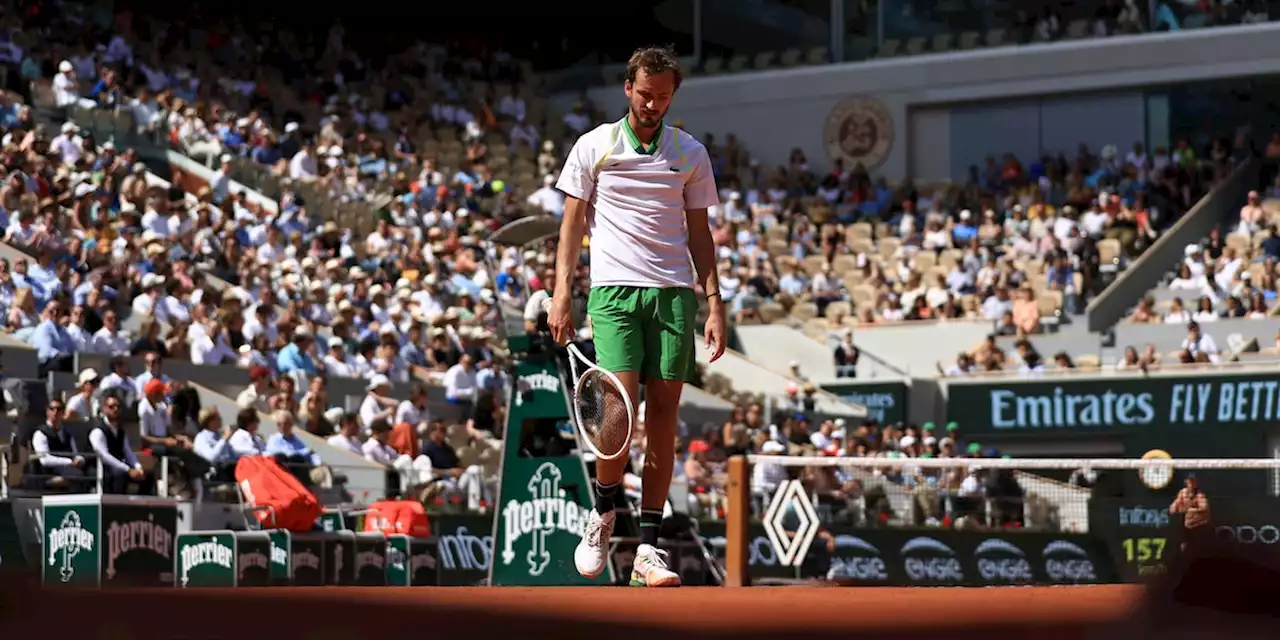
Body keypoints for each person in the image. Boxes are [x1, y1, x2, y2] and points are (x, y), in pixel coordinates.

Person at [548, 45, 725, 588]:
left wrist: (714, 302)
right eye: (645, 95)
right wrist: (561, 294)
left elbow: (699, 233)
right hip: (613, 294)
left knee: (665, 420)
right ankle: (602, 516)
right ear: (628, 88)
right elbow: (571, 228)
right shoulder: (593, 146)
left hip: (673, 296)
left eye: (663, 97)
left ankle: (648, 548)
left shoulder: (690, 152)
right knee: (618, 417)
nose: (652, 105)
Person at [89, 394, 152, 494]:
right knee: (119, 475)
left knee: (148, 476)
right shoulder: (98, 431)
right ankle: (115, 508)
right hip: (99, 468)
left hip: (118, 467)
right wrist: (128, 470)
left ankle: (142, 507)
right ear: (104, 409)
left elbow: (128, 452)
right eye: (111, 407)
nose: (115, 409)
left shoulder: (120, 431)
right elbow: (105, 457)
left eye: (118, 406)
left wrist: (138, 467)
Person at [1170, 474, 1212, 555]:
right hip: (1187, 526)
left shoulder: (1200, 495)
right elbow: (1175, 505)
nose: (1191, 484)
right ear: (1186, 482)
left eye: (1193, 481)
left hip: (1200, 525)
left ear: (1196, 483)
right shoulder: (1183, 492)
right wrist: (1174, 507)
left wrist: (1191, 510)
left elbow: (1204, 507)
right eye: (1189, 481)